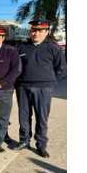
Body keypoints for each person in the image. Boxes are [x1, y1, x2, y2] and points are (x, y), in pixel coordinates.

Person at [12, 19, 67, 158]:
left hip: (43, 88)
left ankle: (41, 145)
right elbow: (15, 66)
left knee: (41, 118)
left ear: (46, 32)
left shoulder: (54, 48)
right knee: (24, 116)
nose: (35, 33)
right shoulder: (22, 47)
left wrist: (50, 82)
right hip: (23, 87)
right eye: (33, 30)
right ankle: (24, 140)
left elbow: (61, 69)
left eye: (39, 30)